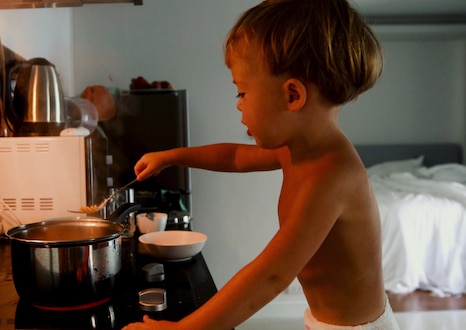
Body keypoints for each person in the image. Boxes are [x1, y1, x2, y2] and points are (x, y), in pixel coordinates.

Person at [123, 0, 400, 329]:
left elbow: (271, 275)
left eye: (242, 92)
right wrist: (172, 156)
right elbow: (235, 157)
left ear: (292, 95)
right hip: (325, 321)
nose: (239, 105)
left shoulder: (333, 175)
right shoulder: (296, 148)